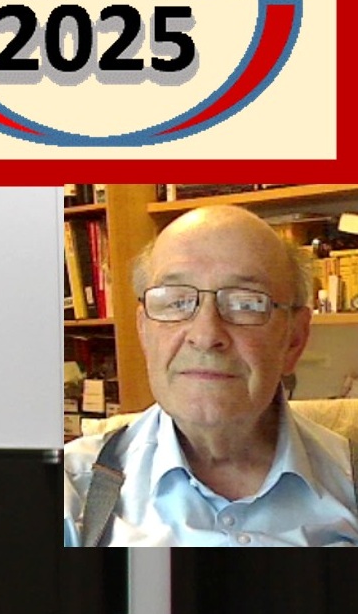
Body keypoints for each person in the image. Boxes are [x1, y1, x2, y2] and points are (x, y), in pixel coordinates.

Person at [64, 205, 358, 545]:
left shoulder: (348, 483)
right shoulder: (71, 494)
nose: (205, 335)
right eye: (176, 302)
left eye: (245, 304)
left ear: (294, 339)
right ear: (144, 331)